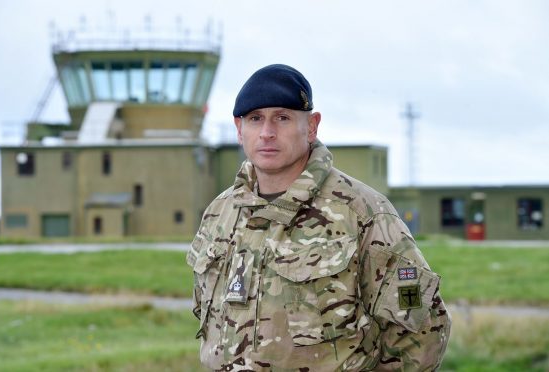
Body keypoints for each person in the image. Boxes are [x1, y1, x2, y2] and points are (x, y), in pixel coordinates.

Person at [187, 64, 451, 371]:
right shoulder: (221, 213)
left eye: (282, 118)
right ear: (238, 128)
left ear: (311, 126)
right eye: (255, 119)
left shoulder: (361, 213)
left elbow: (422, 331)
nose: (267, 132)